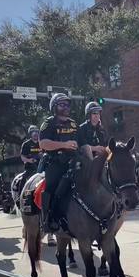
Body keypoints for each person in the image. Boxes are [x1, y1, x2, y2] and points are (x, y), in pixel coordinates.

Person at [39, 93, 79, 232]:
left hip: (74, 162)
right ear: (54, 107)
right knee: (51, 188)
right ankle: (48, 219)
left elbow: (80, 142)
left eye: (67, 104)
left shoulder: (73, 123)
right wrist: (64, 144)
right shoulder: (49, 122)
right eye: (62, 104)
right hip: (55, 163)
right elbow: (43, 143)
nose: (66, 107)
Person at [19, 125, 42, 191]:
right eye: (33, 132)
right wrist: (29, 160)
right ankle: (19, 196)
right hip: (30, 167)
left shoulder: (42, 143)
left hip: (42, 167)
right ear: (30, 134)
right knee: (23, 178)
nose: (35, 133)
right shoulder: (26, 144)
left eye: (37, 132)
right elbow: (22, 157)